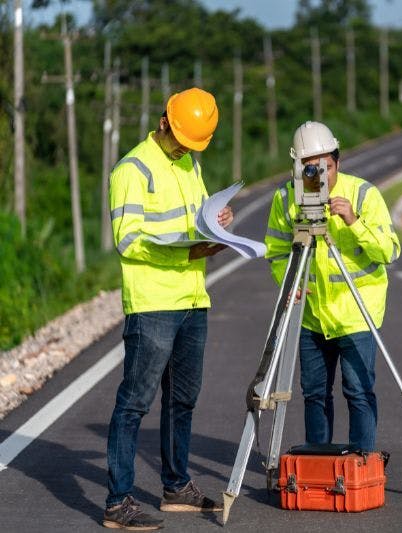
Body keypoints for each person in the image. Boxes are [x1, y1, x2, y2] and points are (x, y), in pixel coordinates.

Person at [104, 87, 232, 531]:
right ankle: (118, 503)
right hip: (153, 303)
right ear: (164, 122)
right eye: (183, 140)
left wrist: (217, 226)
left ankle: (176, 487)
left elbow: (193, 220)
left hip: (193, 298)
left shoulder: (189, 164)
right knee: (134, 402)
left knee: (183, 400)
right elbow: (128, 239)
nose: (186, 148)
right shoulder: (132, 169)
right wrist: (187, 254)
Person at [264, 121, 401, 452]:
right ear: (298, 168)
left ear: (338, 161)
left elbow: (389, 251)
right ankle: (318, 462)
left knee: (358, 390)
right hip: (311, 315)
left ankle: (362, 462)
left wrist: (354, 222)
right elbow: (276, 251)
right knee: (314, 393)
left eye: (326, 167)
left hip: (356, 314)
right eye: (310, 169)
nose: (320, 176)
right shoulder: (286, 198)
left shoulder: (363, 194)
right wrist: (288, 283)